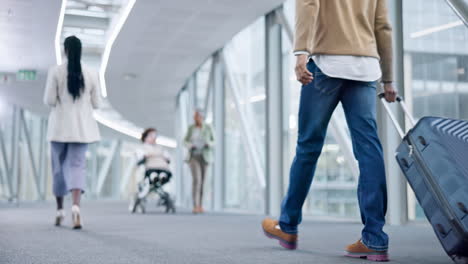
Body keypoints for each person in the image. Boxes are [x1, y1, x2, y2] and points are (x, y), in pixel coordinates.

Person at [262, 0, 397, 261]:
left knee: (308, 147)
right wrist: (389, 78)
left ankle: (287, 227)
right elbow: (383, 26)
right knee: (369, 149)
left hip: (326, 63)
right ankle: (375, 238)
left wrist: (301, 51)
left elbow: (308, 5)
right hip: (365, 68)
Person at [44, 36, 101, 229]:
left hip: (59, 129)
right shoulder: (91, 73)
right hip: (81, 129)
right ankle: (76, 208)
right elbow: (97, 104)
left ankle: (60, 210)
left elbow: (50, 100)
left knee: (58, 169)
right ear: (81, 51)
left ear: (65, 51)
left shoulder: (56, 72)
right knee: (77, 167)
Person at [184, 110, 214, 214]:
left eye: (198, 116)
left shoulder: (208, 127)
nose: (196, 118)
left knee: (203, 182)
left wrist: (208, 144)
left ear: (202, 117)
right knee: (197, 180)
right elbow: (185, 140)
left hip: (205, 156)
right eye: (195, 116)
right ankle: (195, 205)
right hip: (193, 156)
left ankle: (201, 205)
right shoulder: (191, 128)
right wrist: (190, 145)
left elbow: (213, 140)